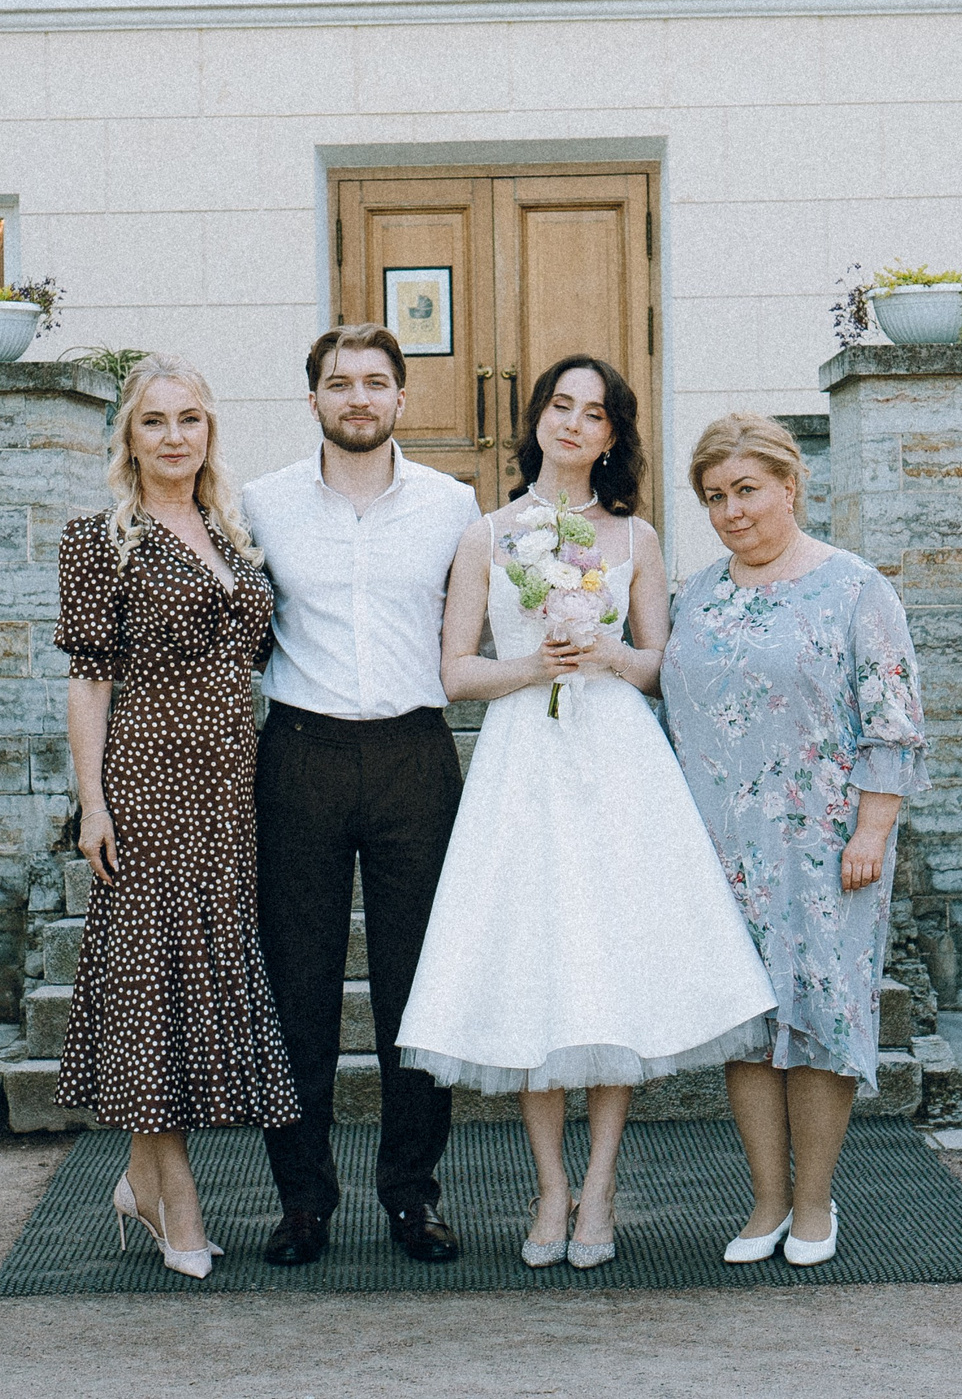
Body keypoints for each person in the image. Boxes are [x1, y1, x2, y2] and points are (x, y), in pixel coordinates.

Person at [396, 357, 775, 1272]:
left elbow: (660, 667)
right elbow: (454, 671)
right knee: (537, 968)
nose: (572, 423)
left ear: (612, 435)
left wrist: (606, 653)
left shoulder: (635, 535)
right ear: (537, 419)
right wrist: (535, 666)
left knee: (610, 968)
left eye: (593, 412)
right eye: (559, 406)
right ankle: (549, 1185)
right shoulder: (488, 533)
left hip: (615, 764)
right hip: (524, 762)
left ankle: (599, 1182)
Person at [660, 413, 933, 1269]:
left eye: (747, 490)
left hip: (825, 848)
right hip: (721, 849)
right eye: (715, 497)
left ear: (789, 485)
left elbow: (894, 716)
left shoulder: (855, 588)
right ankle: (767, 1200)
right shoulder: (696, 595)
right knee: (748, 1024)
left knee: (820, 1017)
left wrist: (873, 828)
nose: (732, 511)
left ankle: (814, 1202)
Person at [239, 325, 483, 1267]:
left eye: (376, 382)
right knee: (295, 988)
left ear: (401, 399)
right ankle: (303, 1201)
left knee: (416, 989)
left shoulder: (452, 505)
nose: (358, 398)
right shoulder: (260, 504)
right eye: (339, 383)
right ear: (313, 400)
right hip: (300, 753)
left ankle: (412, 1196)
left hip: (413, 756)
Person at [53, 354, 296, 1281]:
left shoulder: (233, 532)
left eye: (189, 418)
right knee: (151, 984)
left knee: (187, 983)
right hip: (149, 781)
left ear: (209, 431)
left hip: (230, 787)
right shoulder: (99, 539)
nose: (173, 436)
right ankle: (176, 1201)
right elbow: (88, 680)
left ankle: (138, 1182)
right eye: (154, 420)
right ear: (129, 434)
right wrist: (93, 802)